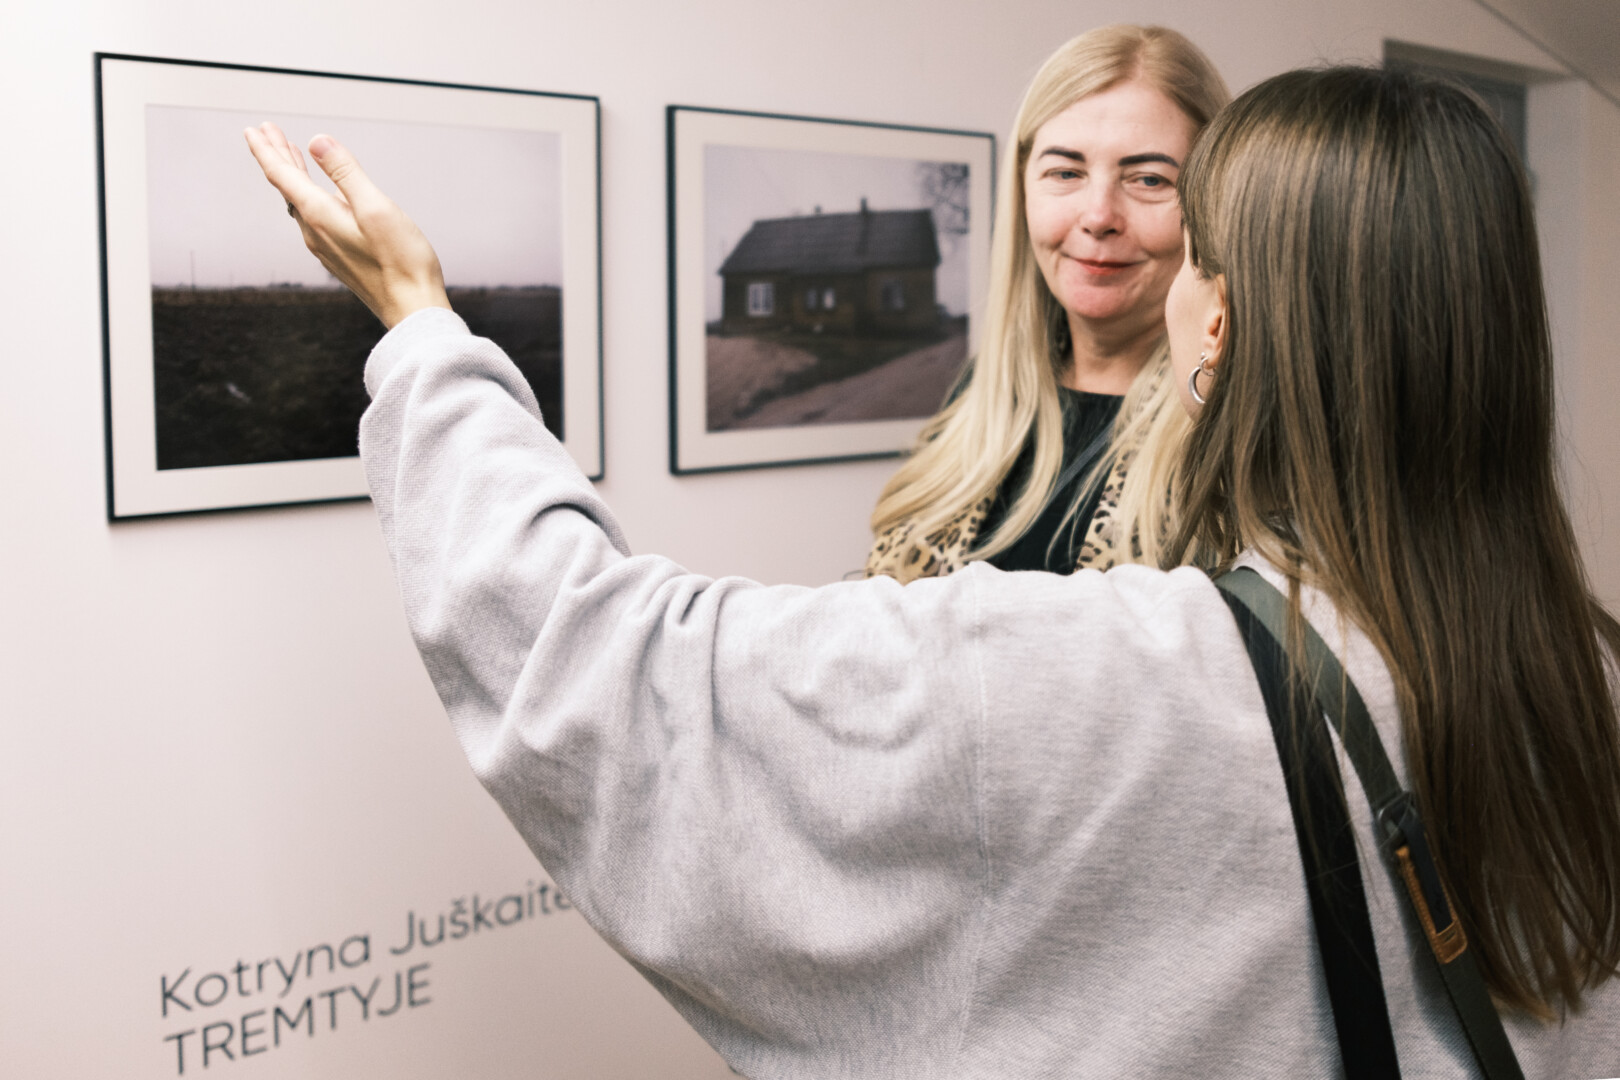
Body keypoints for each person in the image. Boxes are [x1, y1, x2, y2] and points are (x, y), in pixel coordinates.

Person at [244, 63, 1620, 1078]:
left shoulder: (1100, 673)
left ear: (1217, 327)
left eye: (1176, 220)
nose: (1106, 224)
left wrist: (423, 333)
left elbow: (610, 669)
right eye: (1063, 170)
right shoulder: (1582, 670)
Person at [865, 26, 1228, 581]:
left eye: (1150, 179)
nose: (1098, 216)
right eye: (1065, 172)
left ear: (1215, 200)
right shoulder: (980, 394)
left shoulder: (1239, 432)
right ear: (1024, 188)